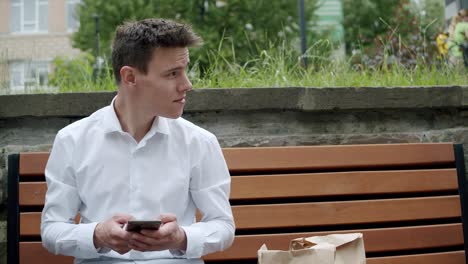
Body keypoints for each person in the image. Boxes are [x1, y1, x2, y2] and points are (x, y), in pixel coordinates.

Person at [41, 18, 235, 264]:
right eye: (173, 74)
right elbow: (52, 229)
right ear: (130, 77)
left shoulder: (199, 142)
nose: (187, 85)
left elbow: (223, 225)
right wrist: (97, 234)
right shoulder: (72, 140)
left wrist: (182, 237)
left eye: (185, 70)